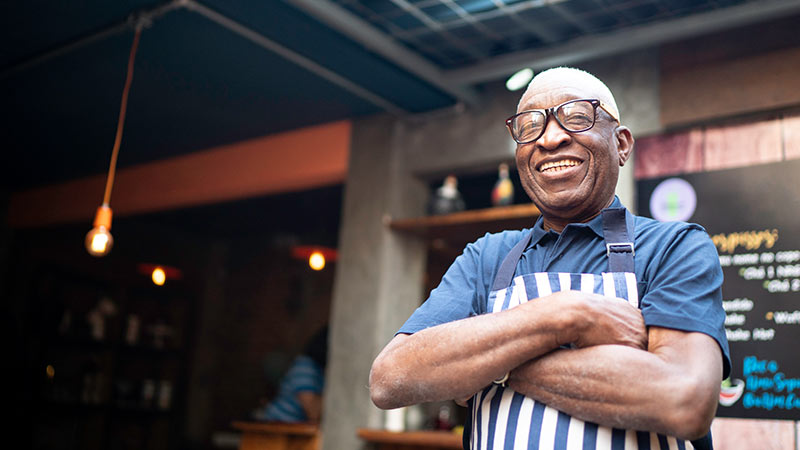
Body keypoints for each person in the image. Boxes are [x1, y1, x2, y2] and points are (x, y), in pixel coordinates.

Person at [369, 67, 730, 450]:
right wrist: (568, 315)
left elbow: (684, 401)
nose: (551, 138)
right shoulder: (486, 257)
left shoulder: (673, 247)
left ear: (622, 144)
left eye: (576, 117)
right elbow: (391, 378)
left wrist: (486, 365)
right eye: (529, 126)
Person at [254, 326, 328, 423]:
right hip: (277, 426)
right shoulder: (305, 366)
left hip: (297, 429)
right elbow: (314, 411)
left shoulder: (323, 370)